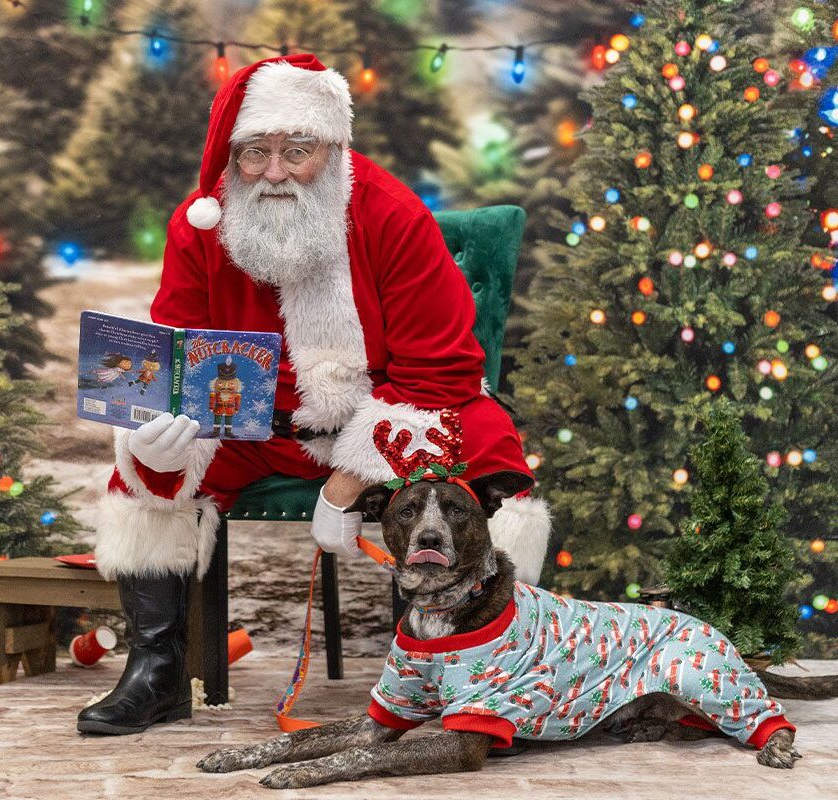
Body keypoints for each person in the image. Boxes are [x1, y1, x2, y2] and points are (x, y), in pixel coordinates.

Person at [77, 53, 552, 736]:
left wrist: (346, 483)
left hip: (390, 408)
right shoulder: (202, 222)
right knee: (142, 481)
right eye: (255, 153)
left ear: (332, 148)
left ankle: (496, 663)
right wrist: (156, 440)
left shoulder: (392, 215)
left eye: (296, 150)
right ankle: (157, 671)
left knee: (494, 468)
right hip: (257, 420)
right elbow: (174, 353)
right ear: (230, 155)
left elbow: (440, 374)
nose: (274, 171)